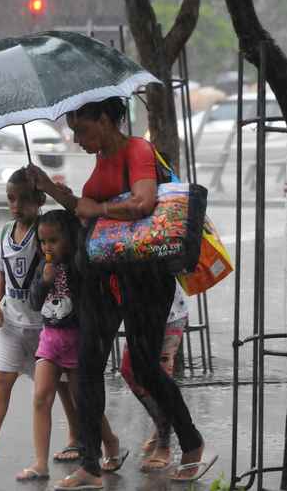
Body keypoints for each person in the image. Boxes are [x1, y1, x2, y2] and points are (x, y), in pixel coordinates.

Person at [27, 97, 213, 490]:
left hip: (145, 279)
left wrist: (96, 208)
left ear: (107, 119)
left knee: (145, 366)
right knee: (89, 365)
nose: (77, 139)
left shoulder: (137, 150)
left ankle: (191, 442)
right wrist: (48, 188)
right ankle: (92, 465)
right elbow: (84, 208)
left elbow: (143, 203)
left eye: (82, 129)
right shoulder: (101, 159)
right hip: (101, 277)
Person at [0, 168, 78, 469]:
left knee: (62, 385)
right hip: (12, 321)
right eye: (12, 199)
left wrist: (51, 189)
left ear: (38, 200)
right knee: (1, 379)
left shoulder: (45, 230)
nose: (16, 206)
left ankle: (78, 437)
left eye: (24, 199)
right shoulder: (5, 232)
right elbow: (1, 271)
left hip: (44, 325)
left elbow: (72, 222)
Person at [16, 210, 82, 481]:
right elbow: (33, 302)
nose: (47, 247)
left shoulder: (80, 265)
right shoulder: (43, 265)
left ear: (69, 238)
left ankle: (103, 444)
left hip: (77, 339)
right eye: (43, 242)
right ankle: (40, 463)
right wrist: (44, 280)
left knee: (84, 402)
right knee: (41, 398)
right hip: (50, 339)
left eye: (53, 241)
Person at [119, 284, 188, 472]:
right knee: (128, 369)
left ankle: (164, 444)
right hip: (139, 318)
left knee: (161, 376)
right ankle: (161, 424)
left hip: (169, 314)